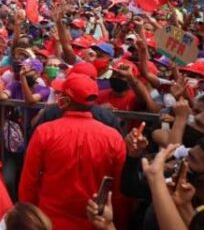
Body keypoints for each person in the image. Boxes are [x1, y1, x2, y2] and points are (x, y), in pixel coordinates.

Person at [19, 73, 126, 229]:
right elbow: (118, 192)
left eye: (61, 93)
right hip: (94, 223)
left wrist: (28, 221)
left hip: (49, 221)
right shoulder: (113, 137)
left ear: (67, 99)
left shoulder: (45, 132)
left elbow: (28, 183)